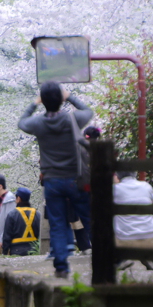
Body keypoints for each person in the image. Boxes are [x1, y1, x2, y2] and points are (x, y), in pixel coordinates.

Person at [18, 81, 93, 278]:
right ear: (60, 99)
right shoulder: (73, 119)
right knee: (89, 217)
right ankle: (108, 255)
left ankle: (61, 266)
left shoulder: (38, 123)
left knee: (58, 224)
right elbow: (87, 111)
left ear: (43, 101)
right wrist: (69, 97)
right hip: (74, 179)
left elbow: (22, 122)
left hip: (52, 181)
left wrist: (34, 104)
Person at [113, 171, 153, 265]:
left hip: (124, 241)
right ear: (135, 173)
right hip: (150, 239)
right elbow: (152, 201)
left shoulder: (114, 189)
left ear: (117, 175)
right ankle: (150, 256)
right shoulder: (146, 186)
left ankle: (121, 258)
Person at [2, 187, 41, 256]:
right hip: (33, 251)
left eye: (15, 197)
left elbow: (6, 237)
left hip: (15, 252)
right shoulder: (37, 215)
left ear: (18, 199)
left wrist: (4, 252)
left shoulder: (11, 215)